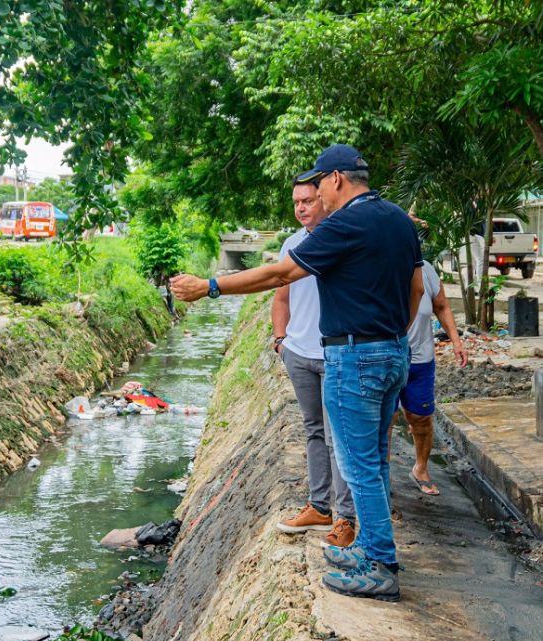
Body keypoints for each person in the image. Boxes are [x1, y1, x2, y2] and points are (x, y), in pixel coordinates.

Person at [171, 144, 424, 602]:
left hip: (354, 358)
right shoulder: (397, 220)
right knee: (377, 459)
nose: (315, 195)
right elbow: (416, 286)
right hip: (393, 353)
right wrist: (392, 336)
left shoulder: (345, 223)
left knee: (358, 465)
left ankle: (381, 565)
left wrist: (209, 287)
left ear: (337, 180)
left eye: (318, 184)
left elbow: (279, 276)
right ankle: (368, 545)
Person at [274, 174, 356, 547]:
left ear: (324, 199)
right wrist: (281, 341)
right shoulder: (291, 245)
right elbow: (281, 297)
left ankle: (345, 517)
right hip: (300, 354)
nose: (302, 208)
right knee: (314, 432)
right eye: (296, 202)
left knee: (339, 438)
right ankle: (319, 507)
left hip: (337, 354)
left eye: (308, 200)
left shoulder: (342, 241)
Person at [391, 258, 468, 496]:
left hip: (420, 360)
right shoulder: (378, 262)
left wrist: (456, 341)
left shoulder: (426, 269)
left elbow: (442, 305)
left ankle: (421, 468)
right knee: (385, 420)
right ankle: (381, 478)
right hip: (386, 359)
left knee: (421, 418)